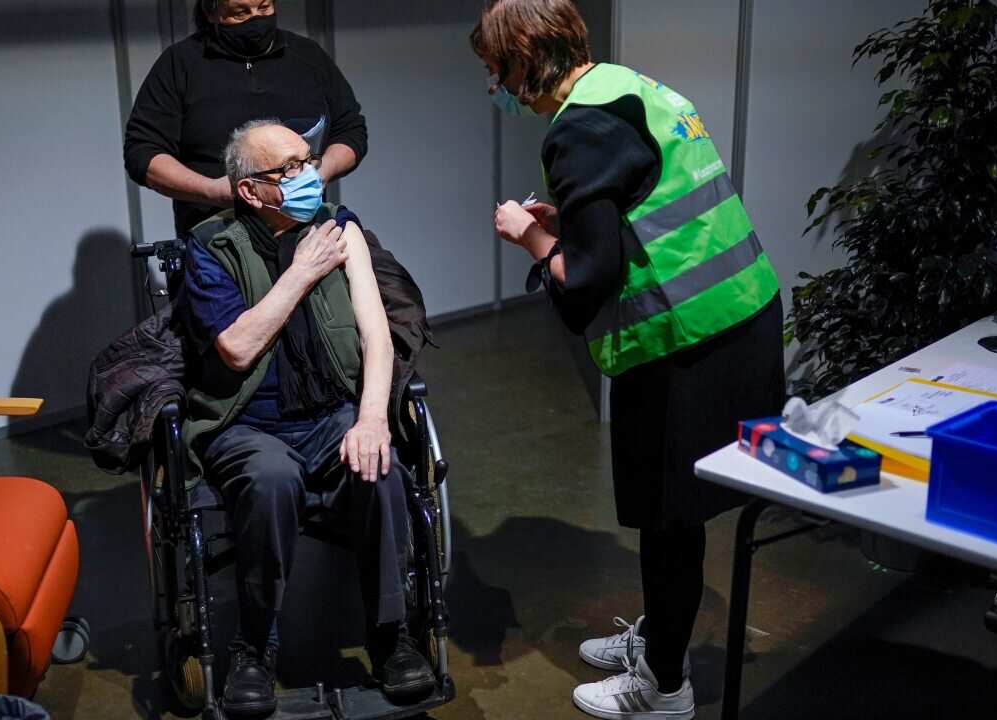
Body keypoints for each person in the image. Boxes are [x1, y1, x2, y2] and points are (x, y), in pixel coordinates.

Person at [471, 1, 786, 718]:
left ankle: (665, 686)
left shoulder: (575, 130)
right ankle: (661, 636)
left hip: (687, 344)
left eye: (495, 73)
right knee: (675, 515)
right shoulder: (627, 86)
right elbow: (633, 210)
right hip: (740, 316)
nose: (496, 89)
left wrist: (530, 238)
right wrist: (575, 228)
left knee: (666, 518)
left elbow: (586, 282)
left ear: (523, 61)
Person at [181, 119, 435, 717]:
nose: (309, 175)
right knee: (272, 481)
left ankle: (391, 636)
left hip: (332, 415)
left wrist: (371, 418)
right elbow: (237, 349)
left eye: (308, 160)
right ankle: (253, 647)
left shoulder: (340, 228)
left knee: (382, 470)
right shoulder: (211, 247)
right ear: (251, 191)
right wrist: (300, 271)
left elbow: (377, 334)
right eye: (290, 169)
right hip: (245, 423)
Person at [124, 0, 368, 238]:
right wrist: (211, 190)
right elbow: (142, 153)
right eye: (240, 12)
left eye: (264, 7)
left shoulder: (308, 56)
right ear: (212, 12)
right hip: (216, 237)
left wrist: (321, 173)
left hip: (305, 230)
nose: (256, 18)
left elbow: (350, 129)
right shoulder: (179, 64)